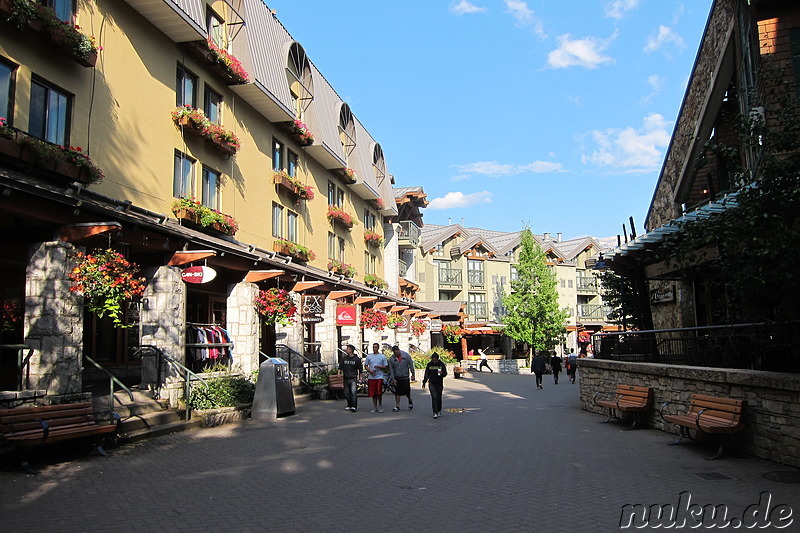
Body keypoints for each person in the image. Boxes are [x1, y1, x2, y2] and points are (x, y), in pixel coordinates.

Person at [388, 345, 415, 411]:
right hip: (397, 377)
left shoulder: (406, 356)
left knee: (407, 391)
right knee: (397, 392)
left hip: (405, 376)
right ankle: (397, 405)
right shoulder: (392, 359)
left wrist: (413, 374)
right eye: (394, 353)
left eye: (397, 352)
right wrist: (393, 379)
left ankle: (410, 401)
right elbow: (391, 369)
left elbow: (411, 364)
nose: (396, 354)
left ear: (399, 350)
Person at [422, 352, 448, 418]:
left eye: (435, 360)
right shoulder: (429, 365)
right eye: (433, 360)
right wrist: (424, 382)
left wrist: (442, 373)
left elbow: (445, 373)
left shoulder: (441, 364)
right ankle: (435, 412)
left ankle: (439, 410)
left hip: (439, 383)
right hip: (432, 383)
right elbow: (427, 374)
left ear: (437, 359)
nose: (434, 361)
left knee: (439, 397)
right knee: (434, 397)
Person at [365, 342, 389, 413]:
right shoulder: (369, 356)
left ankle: (380, 404)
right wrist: (370, 371)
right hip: (371, 377)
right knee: (373, 393)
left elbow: (385, 366)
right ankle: (375, 406)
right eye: (373, 347)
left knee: (379, 392)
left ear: (378, 348)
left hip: (379, 376)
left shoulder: (382, 356)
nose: (374, 348)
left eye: (375, 347)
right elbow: (366, 366)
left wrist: (379, 367)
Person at [339, 344, 362, 412]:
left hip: (353, 378)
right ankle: (349, 405)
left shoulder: (356, 359)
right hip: (346, 377)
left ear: (351, 350)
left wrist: (360, 377)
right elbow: (340, 366)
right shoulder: (344, 358)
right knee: (346, 393)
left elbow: (360, 369)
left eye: (347, 349)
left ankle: (354, 406)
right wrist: (339, 373)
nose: (346, 350)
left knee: (353, 392)